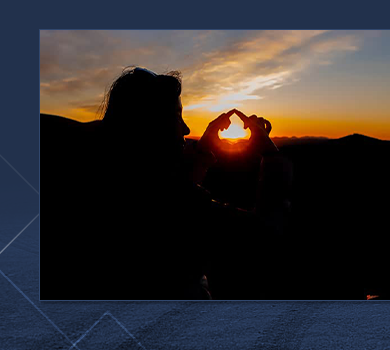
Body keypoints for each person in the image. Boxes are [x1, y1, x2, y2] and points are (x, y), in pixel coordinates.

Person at [42, 66, 292, 300]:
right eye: (176, 116)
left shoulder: (97, 182)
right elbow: (266, 232)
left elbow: (170, 191)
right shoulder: (180, 204)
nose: (185, 128)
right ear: (149, 126)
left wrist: (204, 151)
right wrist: (270, 155)